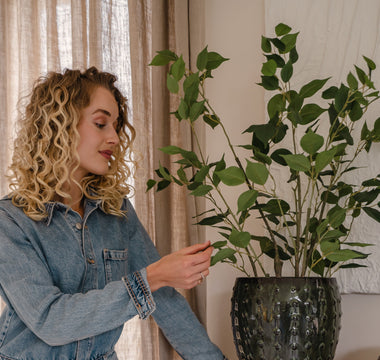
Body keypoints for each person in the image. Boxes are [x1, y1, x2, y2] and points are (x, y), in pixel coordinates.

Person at [0, 67, 226, 360]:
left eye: (115, 126)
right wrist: (151, 278)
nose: (115, 138)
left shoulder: (116, 211)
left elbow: (166, 302)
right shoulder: (10, 220)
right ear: (60, 125)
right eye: (100, 123)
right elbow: (50, 321)